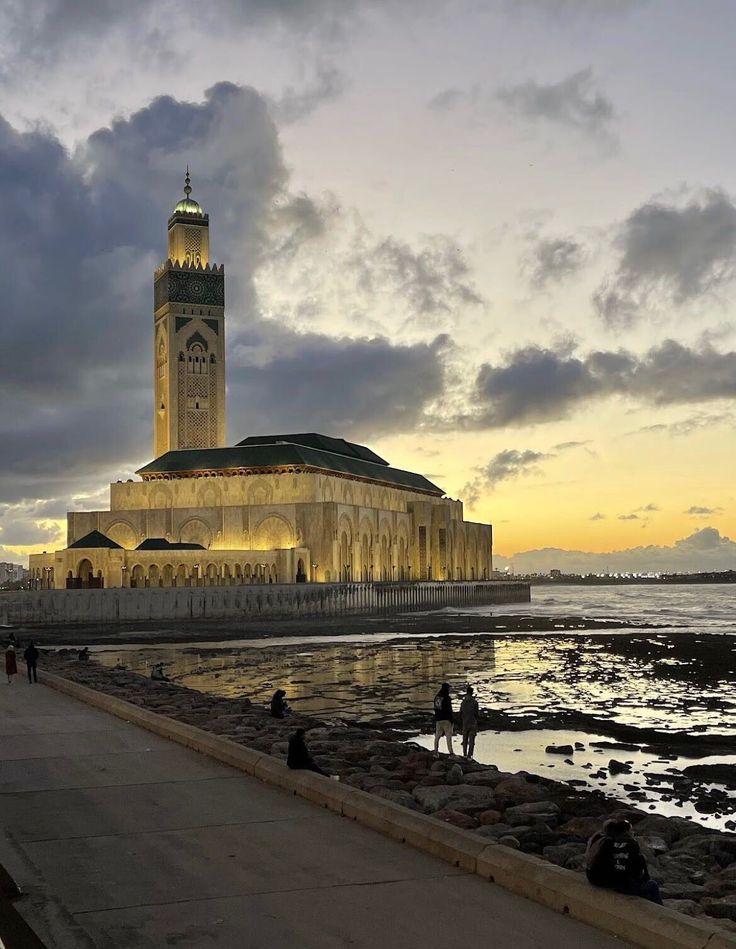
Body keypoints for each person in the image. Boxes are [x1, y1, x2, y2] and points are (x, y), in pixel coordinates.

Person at [585, 819, 663, 904]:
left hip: (595, 877)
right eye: (631, 831)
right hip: (614, 883)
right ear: (626, 832)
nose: (633, 833)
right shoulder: (630, 844)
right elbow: (636, 872)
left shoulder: (602, 840)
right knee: (653, 885)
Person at [433, 682, 454, 755]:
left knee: (437, 736)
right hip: (446, 720)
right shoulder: (447, 698)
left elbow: (435, 708)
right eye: (448, 688)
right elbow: (449, 709)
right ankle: (451, 752)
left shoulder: (437, 697)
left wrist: (437, 717)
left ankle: (436, 751)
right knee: (448, 737)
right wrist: (452, 720)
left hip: (438, 719)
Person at [460, 685, 479, 758]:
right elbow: (476, 713)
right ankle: (469, 755)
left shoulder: (463, 702)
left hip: (465, 722)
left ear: (467, 692)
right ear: (472, 693)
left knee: (465, 740)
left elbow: (460, 713)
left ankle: (464, 754)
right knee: (471, 741)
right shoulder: (475, 702)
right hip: (472, 722)